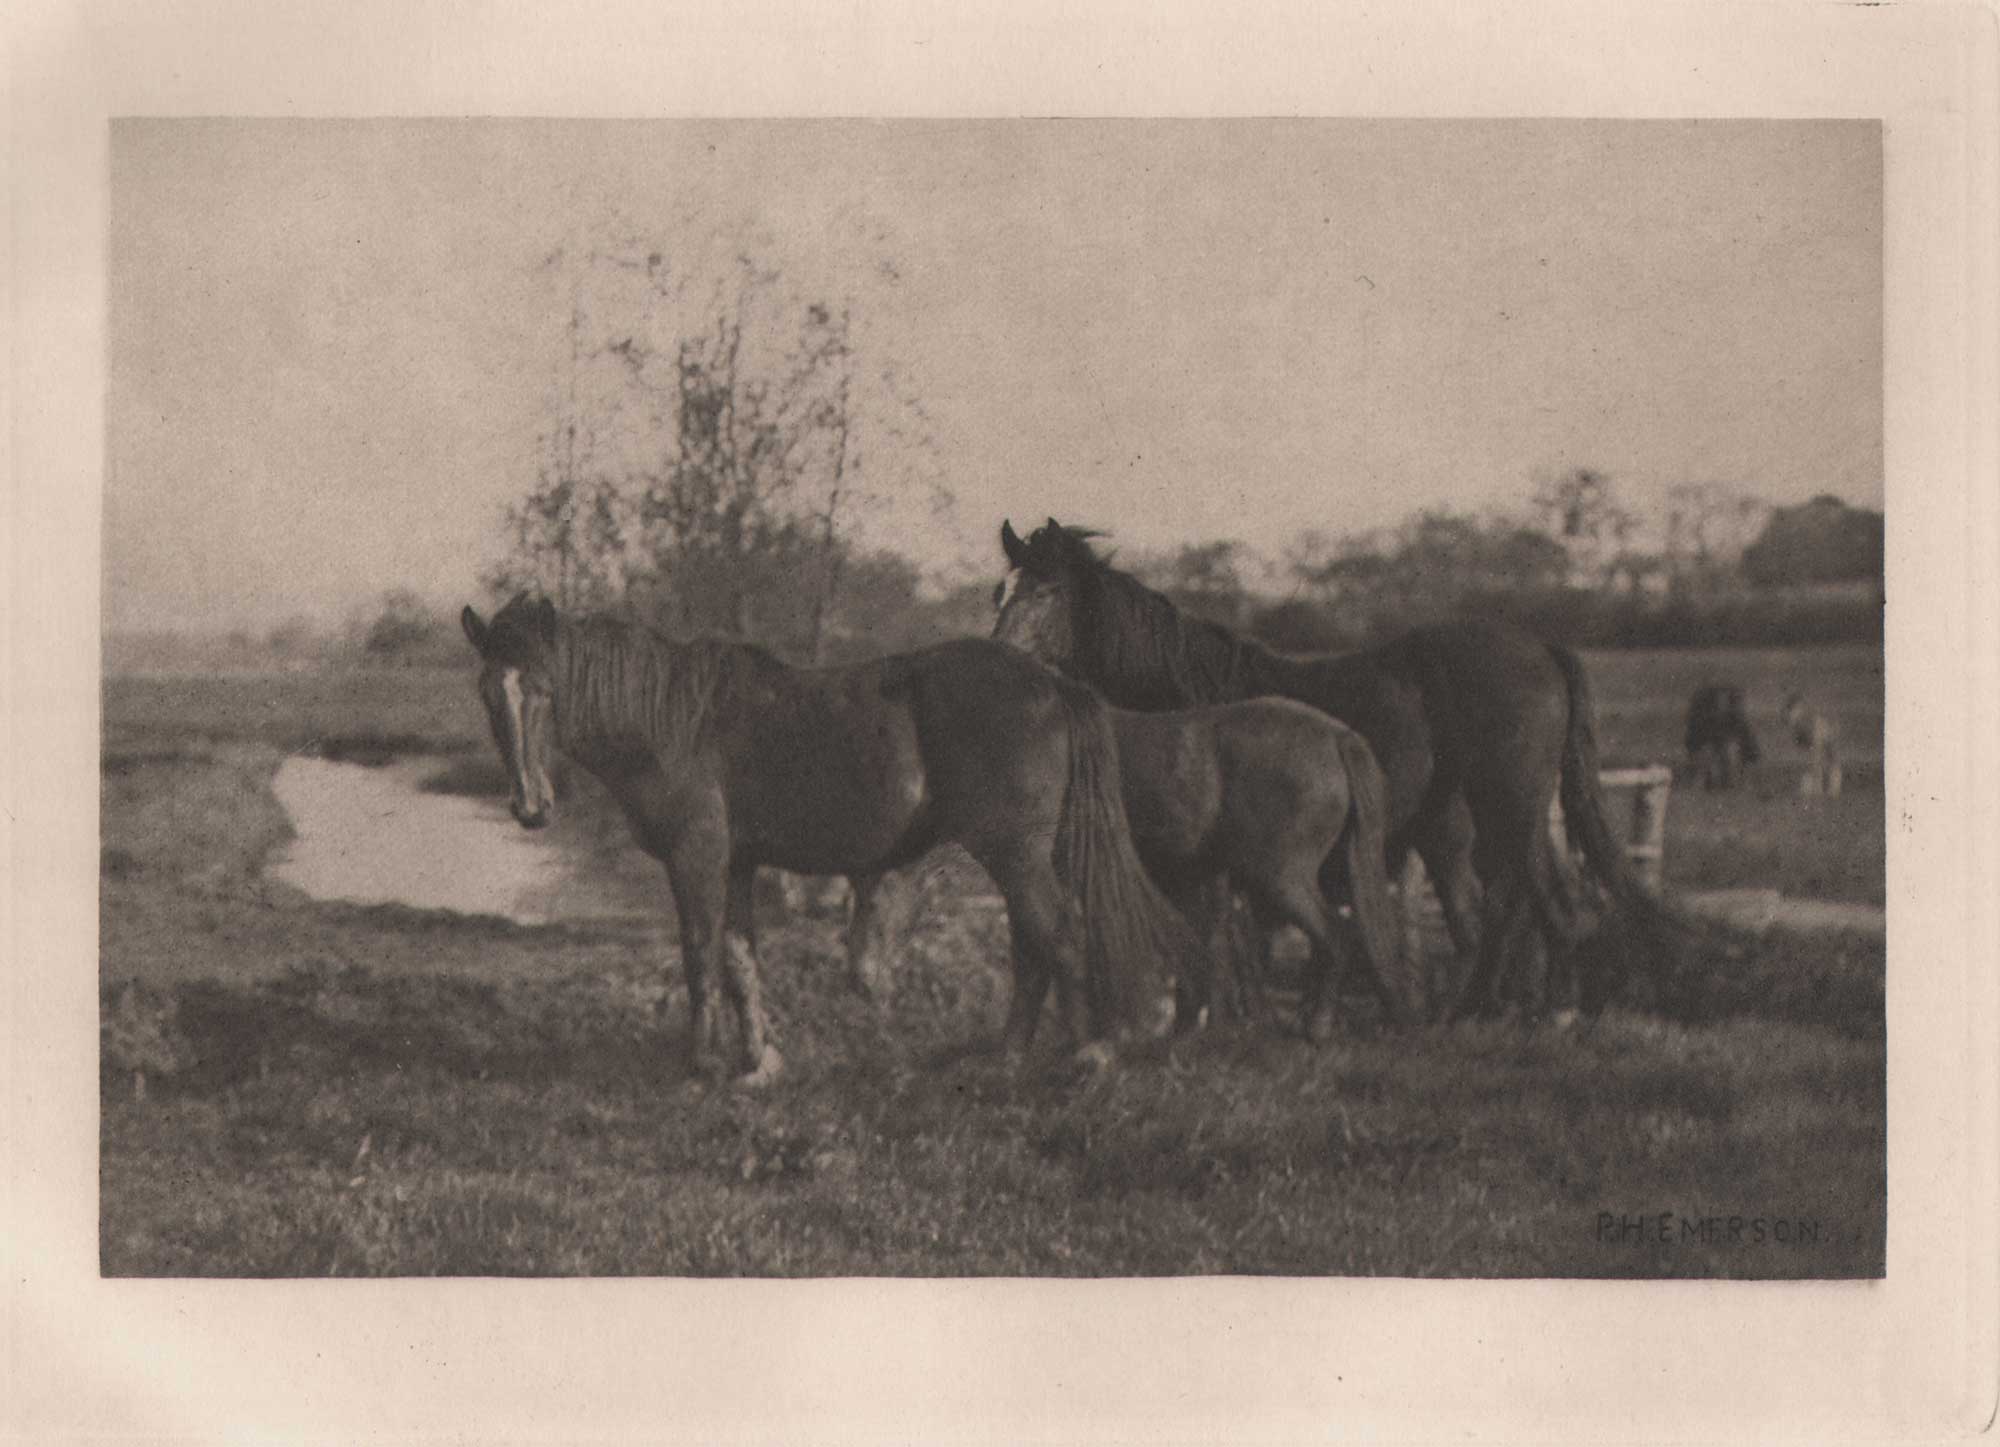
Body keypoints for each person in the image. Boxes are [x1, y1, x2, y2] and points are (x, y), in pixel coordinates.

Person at [1781, 692, 1842, 798]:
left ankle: (1826, 788)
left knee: (1826, 765)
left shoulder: (1813, 723)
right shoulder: (1801, 725)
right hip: (1820, 742)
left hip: (1823, 741)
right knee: (1818, 767)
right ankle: (1821, 787)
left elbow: (1819, 750)